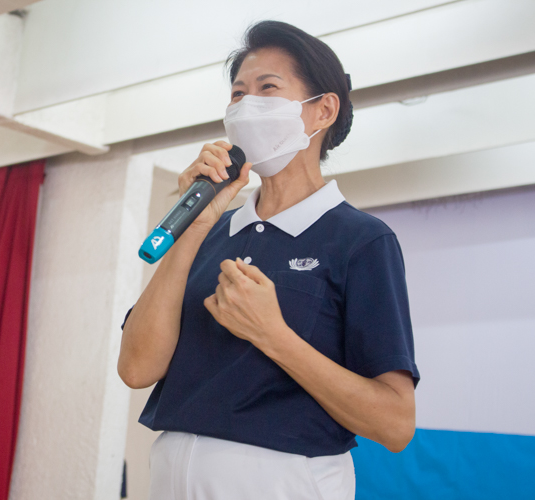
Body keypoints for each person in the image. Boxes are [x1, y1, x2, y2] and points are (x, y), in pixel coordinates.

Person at [118, 20, 419, 500]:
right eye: (237, 94)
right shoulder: (211, 228)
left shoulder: (361, 241)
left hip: (282, 481)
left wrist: (273, 335)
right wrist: (194, 229)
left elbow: (396, 423)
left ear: (322, 110)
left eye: (267, 88)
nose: (245, 105)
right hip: (171, 475)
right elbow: (136, 369)